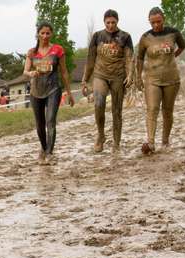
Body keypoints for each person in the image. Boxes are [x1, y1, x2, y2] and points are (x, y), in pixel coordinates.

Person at [82, 9, 134, 153]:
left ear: (117, 21)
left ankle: (116, 143)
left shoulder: (125, 36)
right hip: (100, 74)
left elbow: (129, 58)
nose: (110, 25)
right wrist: (85, 79)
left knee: (117, 111)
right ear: (104, 22)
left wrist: (130, 75)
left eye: (113, 22)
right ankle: (100, 136)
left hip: (118, 76)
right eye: (108, 22)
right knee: (99, 104)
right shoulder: (97, 36)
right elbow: (90, 59)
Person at [135, 7, 185, 155]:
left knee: (167, 111)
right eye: (153, 23)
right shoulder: (145, 37)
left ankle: (165, 141)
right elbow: (139, 58)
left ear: (163, 18)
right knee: (152, 109)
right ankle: (150, 142)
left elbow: (182, 46)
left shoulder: (173, 33)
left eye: (158, 21)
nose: (156, 25)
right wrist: (138, 76)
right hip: (152, 79)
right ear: (149, 22)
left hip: (172, 79)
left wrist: (173, 57)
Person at [24, 21, 73, 165]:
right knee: (40, 124)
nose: (45, 36)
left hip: (53, 89)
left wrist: (69, 93)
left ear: (51, 34)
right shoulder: (32, 52)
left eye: (48, 33)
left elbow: (64, 72)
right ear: (38, 34)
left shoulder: (58, 50)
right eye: (42, 33)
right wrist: (30, 73)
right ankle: (44, 148)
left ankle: (49, 154)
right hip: (36, 91)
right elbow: (25, 71)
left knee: (50, 121)